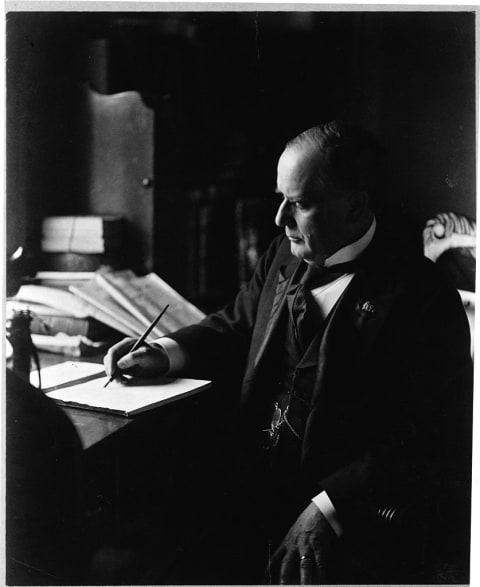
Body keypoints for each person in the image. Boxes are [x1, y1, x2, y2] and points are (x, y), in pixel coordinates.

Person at [104, 121, 473, 584]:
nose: (278, 218)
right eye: (280, 198)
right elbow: (237, 327)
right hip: (250, 480)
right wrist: (162, 352)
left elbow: (429, 435)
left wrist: (329, 508)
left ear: (356, 206)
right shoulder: (284, 251)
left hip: (336, 503)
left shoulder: (421, 295)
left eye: (298, 204)